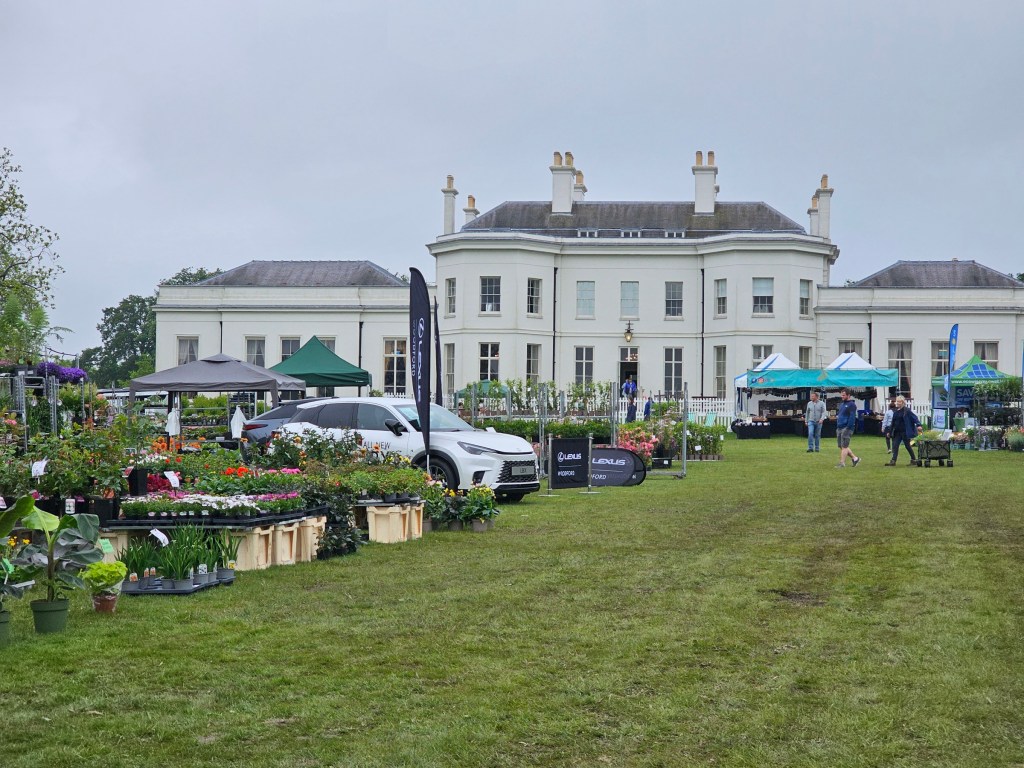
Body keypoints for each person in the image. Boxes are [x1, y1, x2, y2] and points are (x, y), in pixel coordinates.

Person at [887, 396, 922, 466]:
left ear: (903, 402)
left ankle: (913, 460)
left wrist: (918, 425)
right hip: (897, 432)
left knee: (907, 446)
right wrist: (889, 432)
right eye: (897, 401)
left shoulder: (907, 411)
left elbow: (914, 418)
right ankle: (893, 461)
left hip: (905, 432)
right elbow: (893, 423)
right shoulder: (896, 412)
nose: (898, 403)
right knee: (895, 445)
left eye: (899, 401)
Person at [835, 388, 861, 468]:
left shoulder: (852, 405)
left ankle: (842, 463)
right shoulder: (842, 404)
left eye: (844, 395)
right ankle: (855, 458)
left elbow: (852, 417)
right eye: (841, 395)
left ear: (848, 395)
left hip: (846, 428)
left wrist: (848, 427)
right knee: (841, 446)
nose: (842, 397)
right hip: (839, 427)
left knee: (844, 446)